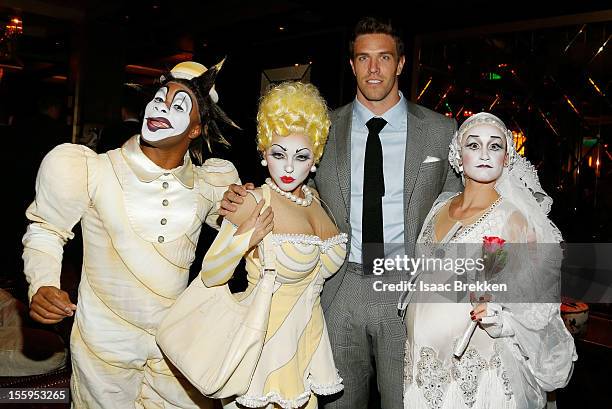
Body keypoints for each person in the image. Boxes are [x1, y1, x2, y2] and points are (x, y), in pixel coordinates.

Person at [221, 16, 461, 408]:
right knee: (337, 401)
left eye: (384, 58)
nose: (373, 68)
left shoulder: (439, 130)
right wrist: (252, 197)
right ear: (351, 65)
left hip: (407, 285)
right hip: (340, 285)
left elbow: (457, 210)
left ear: (401, 63)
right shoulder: (324, 128)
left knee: (410, 400)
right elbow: (294, 186)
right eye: (363, 58)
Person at [22, 60, 240, 408]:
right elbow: (47, 229)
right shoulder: (93, 169)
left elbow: (239, 231)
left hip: (177, 348)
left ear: (196, 129)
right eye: (159, 98)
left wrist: (251, 207)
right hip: (103, 349)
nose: (160, 106)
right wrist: (44, 283)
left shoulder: (209, 183)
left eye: (179, 105)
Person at [399, 112, 577, 409]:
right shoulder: (440, 206)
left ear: (506, 158)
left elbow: (537, 303)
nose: (484, 154)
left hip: (477, 368)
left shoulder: (513, 219)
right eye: (473, 145)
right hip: (423, 363)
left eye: (494, 146)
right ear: (458, 155)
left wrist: (503, 321)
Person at [202, 81, 346, 409]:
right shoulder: (253, 201)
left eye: (301, 156)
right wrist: (244, 240)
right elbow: (210, 274)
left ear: (315, 160)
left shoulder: (317, 201)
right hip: (263, 348)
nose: (289, 167)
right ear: (264, 154)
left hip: (308, 348)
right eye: (278, 154)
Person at [97, 83, 144, 153]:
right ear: (141, 111)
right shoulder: (144, 133)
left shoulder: (110, 130)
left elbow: (100, 152)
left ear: (123, 111)